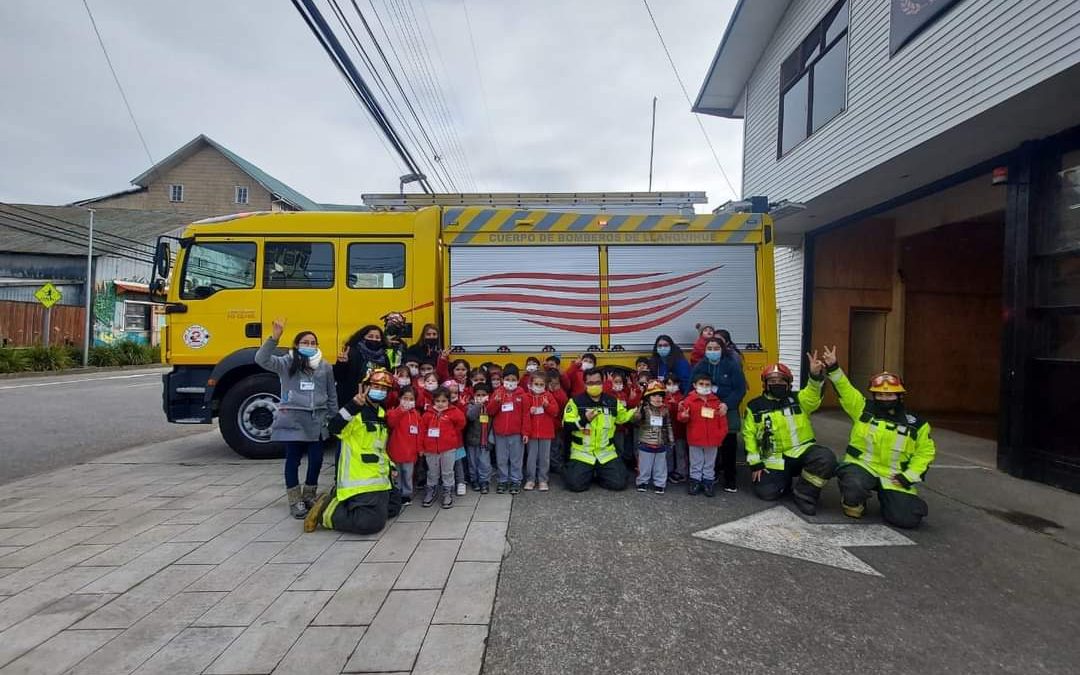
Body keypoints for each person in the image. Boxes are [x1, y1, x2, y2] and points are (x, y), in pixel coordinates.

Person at [821, 346, 936, 528]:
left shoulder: (916, 424)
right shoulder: (862, 409)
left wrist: (908, 476)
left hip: (894, 476)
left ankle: (891, 500)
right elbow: (845, 389)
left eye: (889, 394)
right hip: (862, 467)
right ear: (874, 395)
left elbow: (925, 453)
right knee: (854, 485)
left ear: (899, 396)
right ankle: (853, 501)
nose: (884, 398)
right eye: (880, 395)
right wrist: (833, 367)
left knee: (907, 520)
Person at [256, 317, 338, 518]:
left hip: (317, 420)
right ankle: (295, 500)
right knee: (293, 460)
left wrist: (333, 417)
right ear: (297, 345)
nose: (309, 346)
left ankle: (309, 494)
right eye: (305, 342)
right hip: (293, 419)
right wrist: (274, 337)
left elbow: (331, 394)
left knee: (317, 459)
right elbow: (261, 359)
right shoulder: (287, 363)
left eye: (312, 343)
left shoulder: (325, 366)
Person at [304, 368, 401, 534]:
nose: (380, 391)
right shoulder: (355, 411)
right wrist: (353, 405)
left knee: (393, 508)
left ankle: (345, 502)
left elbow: (378, 446)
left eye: (384, 389)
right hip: (359, 479)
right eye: (376, 386)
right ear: (366, 387)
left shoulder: (380, 413)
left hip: (379, 477)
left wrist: (390, 466)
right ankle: (326, 510)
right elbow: (334, 427)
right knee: (371, 524)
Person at [742, 359, 837, 515]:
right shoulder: (754, 406)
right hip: (774, 457)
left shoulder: (799, 399)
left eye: (781, 380)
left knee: (826, 458)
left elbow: (813, 394)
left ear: (788, 383)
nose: (777, 384)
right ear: (765, 384)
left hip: (802, 451)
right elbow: (749, 436)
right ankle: (783, 482)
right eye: (772, 381)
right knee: (768, 493)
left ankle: (804, 494)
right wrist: (756, 463)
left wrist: (814, 375)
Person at [562, 369, 636, 492]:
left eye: (597, 382)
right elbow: (567, 425)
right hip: (582, 453)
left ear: (603, 383)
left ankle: (596, 472)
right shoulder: (575, 402)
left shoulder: (612, 402)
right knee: (575, 485)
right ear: (585, 384)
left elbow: (622, 418)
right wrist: (584, 419)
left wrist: (635, 413)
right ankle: (586, 471)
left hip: (606, 452)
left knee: (619, 484)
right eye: (590, 383)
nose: (594, 385)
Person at [690, 337, 747, 492]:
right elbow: (691, 386)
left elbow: (740, 389)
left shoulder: (732, 365)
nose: (713, 352)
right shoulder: (700, 366)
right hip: (706, 409)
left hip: (727, 408)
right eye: (709, 348)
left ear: (722, 349)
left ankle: (730, 478)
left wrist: (727, 404)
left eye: (716, 349)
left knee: (729, 444)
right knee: (709, 443)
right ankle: (710, 475)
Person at [677, 373, 728, 497]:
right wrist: (684, 416)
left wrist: (720, 435)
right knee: (696, 462)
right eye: (701, 384)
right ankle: (695, 481)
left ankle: (708, 482)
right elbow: (681, 417)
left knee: (710, 463)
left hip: (713, 440)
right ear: (694, 385)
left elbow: (723, 420)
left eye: (707, 384)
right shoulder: (689, 401)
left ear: (711, 386)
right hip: (695, 438)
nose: (704, 387)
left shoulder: (716, 402)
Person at [420, 387, 466, 508]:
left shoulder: (453, 412)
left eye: (444, 401)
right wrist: (422, 447)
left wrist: (452, 434)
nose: (440, 404)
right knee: (432, 472)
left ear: (448, 401)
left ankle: (447, 491)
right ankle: (431, 489)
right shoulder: (427, 415)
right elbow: (422, 431)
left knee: (448, 471)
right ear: (433, 401)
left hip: (448, 448)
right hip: (430, 449)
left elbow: (461, 422)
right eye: (438, 401)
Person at [488, 365, 529, 494]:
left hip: (516, 434)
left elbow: (526, 415)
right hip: (500, 433)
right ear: (502, 379)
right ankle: (503, 480)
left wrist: (525, 432)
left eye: (513, 379)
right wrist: (496, 401)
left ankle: (516, 480)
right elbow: (490, 411)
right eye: (507, 379)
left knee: (516, 459)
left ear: (517, 380)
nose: (510, 382)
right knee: (501, 458)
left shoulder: (522, 395)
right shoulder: (498, 393)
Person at [633, 381, 675, 494]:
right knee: (644, 465)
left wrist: (671, 439)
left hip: (661, 443)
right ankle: (642, 482)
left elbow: (668, 425)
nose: (657, 398)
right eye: (654, 395)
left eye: (660, 395)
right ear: (648, 397)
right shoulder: (644, 409)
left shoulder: (665, 409)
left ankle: (660, 483)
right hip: (645, 442)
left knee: (660, 466)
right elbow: (636, 420)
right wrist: (639, 409)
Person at [335, 324, 392, 407]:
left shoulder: (384, 357)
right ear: (362, 337)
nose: (374, 339)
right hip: (351, 400)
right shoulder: (352, 352)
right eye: (370, 336)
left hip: (374, 402)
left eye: (377, 337)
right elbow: (339, 377)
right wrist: (341, 363)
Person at [523, 371, 560, 491]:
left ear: (545, 385)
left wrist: (547, 406)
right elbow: (522, 415)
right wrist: (530, 412)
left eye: (541, 384)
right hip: (532, 433)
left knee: (544, 457)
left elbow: (555, 411)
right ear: (530, 384)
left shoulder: (549, 396)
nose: (538, 387)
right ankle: (530, 479)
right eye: (536, 384)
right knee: (531, 457)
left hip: (546, 433)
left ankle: (543, 479)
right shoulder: (526, 397)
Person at [386, 387, 422, 505]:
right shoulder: (393, 412)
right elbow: (391, 422)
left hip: (410, 452)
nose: (408, 401)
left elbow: (419, 433)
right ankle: (396, 493)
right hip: (396, 450)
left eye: (411, 399)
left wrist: (420, 448)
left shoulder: (416, 415)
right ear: (400, 399)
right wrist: (401, 410)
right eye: (405, 398)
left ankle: (406, 494)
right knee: (397, 474)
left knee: (408, 474)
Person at [465, 383, 494, 493]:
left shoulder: (490, 407)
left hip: (485, 441)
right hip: (472, 440)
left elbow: (493, 424)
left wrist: (491, 440)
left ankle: (484, 481)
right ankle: (474, 480)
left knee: (484, 462)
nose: (481, 397)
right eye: (478, 395)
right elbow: (470, 416)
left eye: (483, 395)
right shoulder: (471, 405)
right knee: (472, 462)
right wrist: (478, 405)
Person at [664, 374, 689, 483]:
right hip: (667, 431)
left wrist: (675, 405)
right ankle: (668, 470)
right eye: (669, 384)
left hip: (679, 431)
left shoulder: (682, 398)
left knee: (680, 452)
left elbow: (682, 414)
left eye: (674, 383)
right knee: (668, 452)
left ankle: (681, 472)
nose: (671, 386)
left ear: (678, 384)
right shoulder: (663, 397)